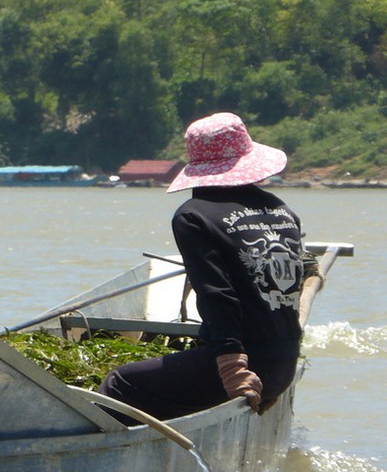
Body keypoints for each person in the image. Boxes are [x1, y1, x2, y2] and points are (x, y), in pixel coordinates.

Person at [98, 112, 305, 423]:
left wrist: (232, 367)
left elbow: (217, 295)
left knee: (121, 383)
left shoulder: (194, 216)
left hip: (243, 369)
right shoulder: (282, 211)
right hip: (283, 364)